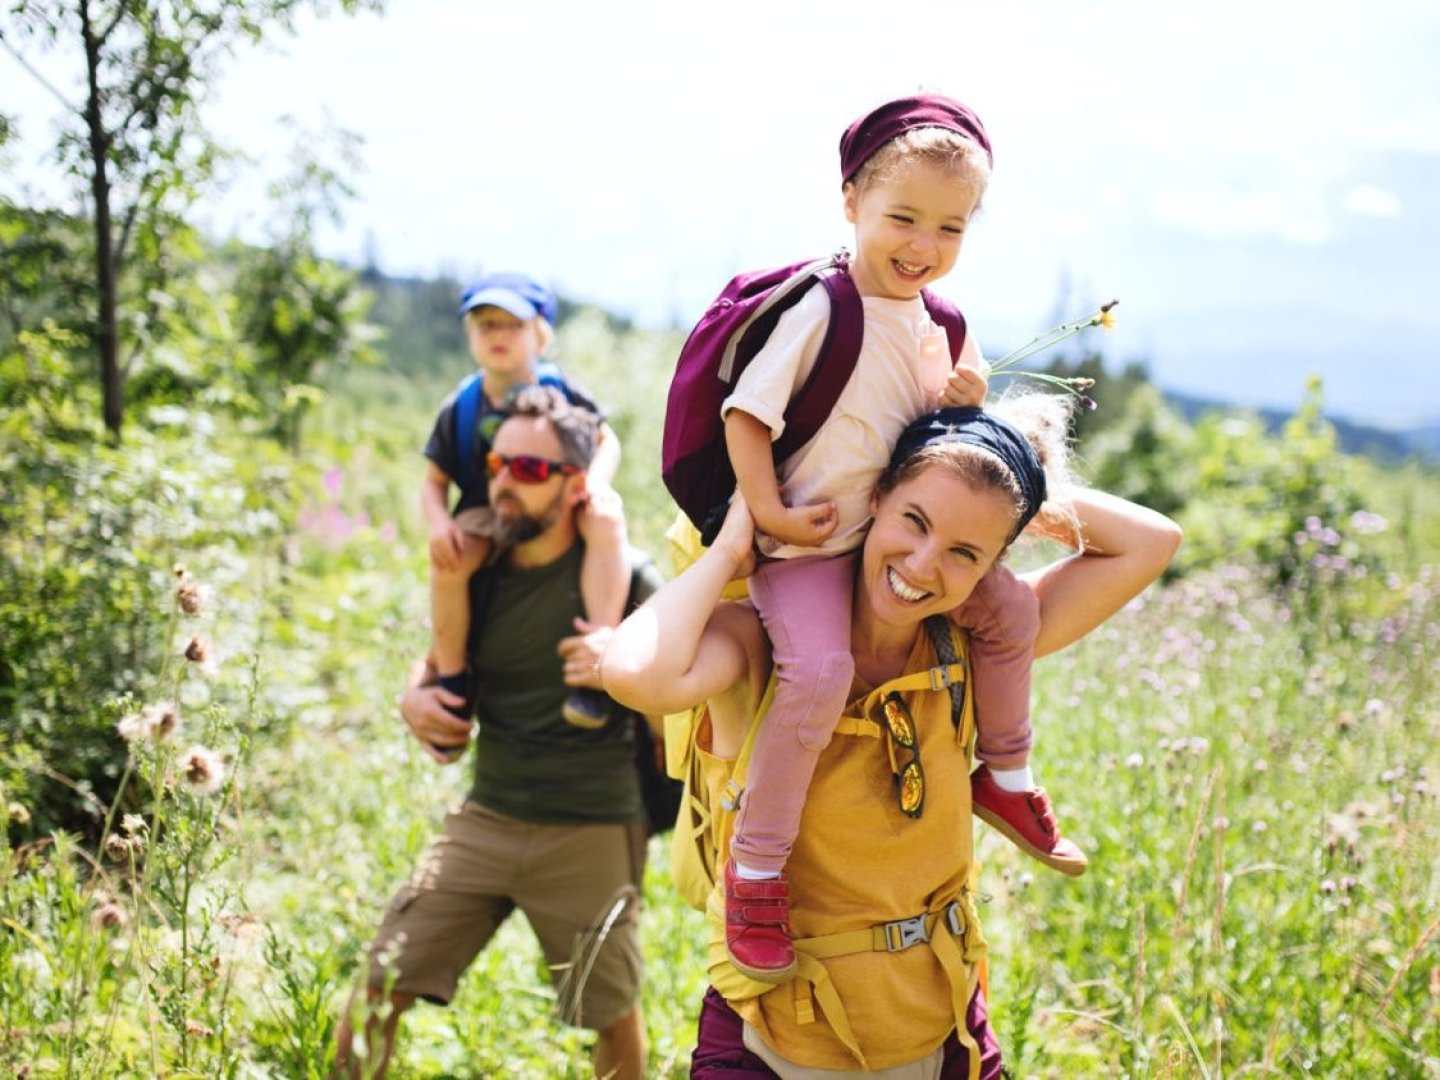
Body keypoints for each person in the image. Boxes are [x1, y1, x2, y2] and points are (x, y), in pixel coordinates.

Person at [602, 396, 1182, 1077]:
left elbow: (1153, 541)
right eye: (915, 519)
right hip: (771, 1040)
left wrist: (1005, 474)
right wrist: (732, 547)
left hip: (943, 1035)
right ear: (872, 497)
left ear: (992, 563)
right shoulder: (762, 645)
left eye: (966, 551)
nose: (924, 564)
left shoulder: (974, 646)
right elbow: (634, 673)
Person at [711, 93, 1081, 982]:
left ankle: (1007, 773)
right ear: (851, 204)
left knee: (1008, 615)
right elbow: (746, 416)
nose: (923, 244)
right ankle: (756, 869)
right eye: (903, 218)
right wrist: (765, 513)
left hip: (887, 537)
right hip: (807, 545)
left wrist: (960, 399)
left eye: (949, 228)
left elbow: (941, 433)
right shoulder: (821, 308)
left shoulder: (939, 324)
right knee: (821, 671)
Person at [335, 387, 663, 1080]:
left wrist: (626, 674)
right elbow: (434, 667)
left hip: (592, 826)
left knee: (608, 1013)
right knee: (376, 986)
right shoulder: (478, 572)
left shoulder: (628, 581)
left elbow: (682, 702)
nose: (505, 482)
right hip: (487, 816)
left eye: (531, 470)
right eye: (497, 463)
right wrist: (411, 701)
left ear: (576, 486)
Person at [421, 272, 629, 735]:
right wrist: (439, 524)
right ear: (469, 334)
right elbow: (433, 482)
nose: (498, 336)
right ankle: (454, 680)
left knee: (606, 519)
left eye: (512, 325)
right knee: (449, 563)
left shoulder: (564, 391)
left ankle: (596, 656)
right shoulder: (461, 406)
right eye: (485, 324)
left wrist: (594, 482)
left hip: (558, 496)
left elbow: (605, 439)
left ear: (540, 335)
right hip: (485, 507)